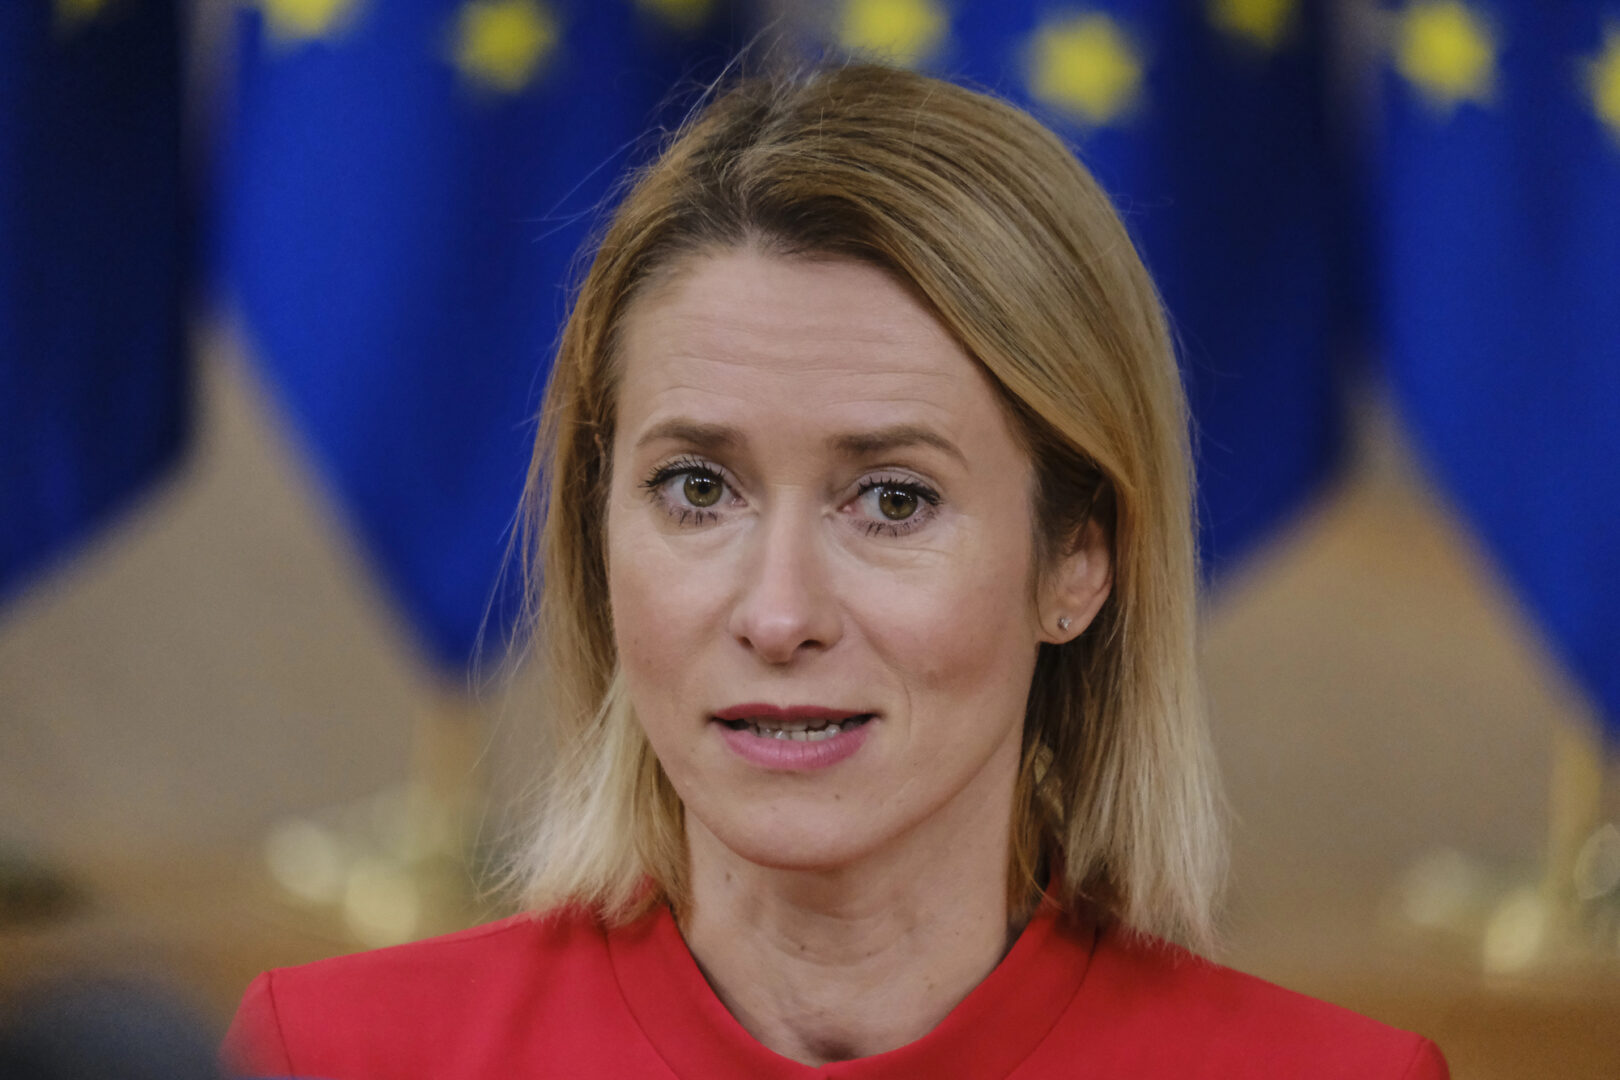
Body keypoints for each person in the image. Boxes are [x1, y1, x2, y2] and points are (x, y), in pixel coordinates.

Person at [224, 63, 1449, 1079]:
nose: (779, 614)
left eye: (894, 500)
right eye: (697, 488)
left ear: (1078, 559)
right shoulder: (334, 1058)